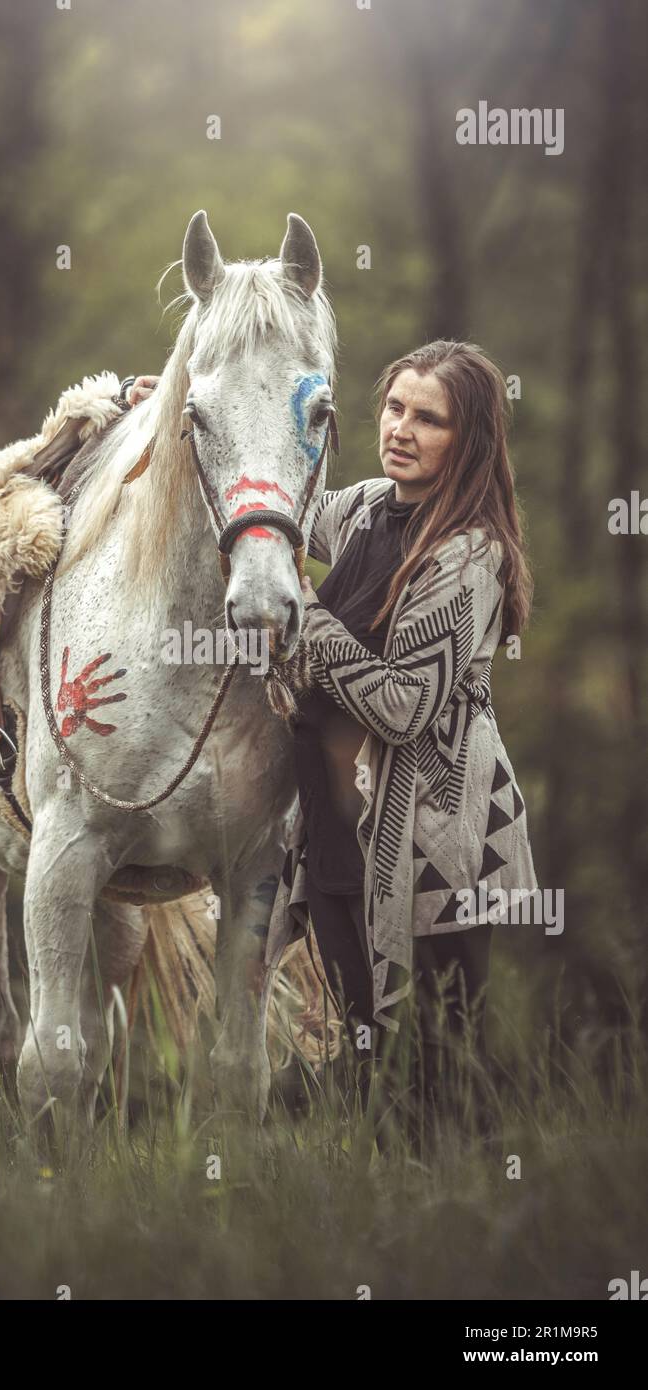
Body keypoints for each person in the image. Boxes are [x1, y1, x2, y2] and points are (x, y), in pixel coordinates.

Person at [124, 342, 536, 1130]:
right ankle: (391, 1226)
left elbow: (404, 708)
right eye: (393, 408)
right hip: (340, 836)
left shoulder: (469, 553)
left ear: (471, 440)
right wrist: (186, 413)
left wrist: (301, 609)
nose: (402, 430)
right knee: (369, 1065)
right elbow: (272, 511)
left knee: (444, 1071)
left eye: (430, 419)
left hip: (439, 845)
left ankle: (475, 1225)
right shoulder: (370, 508)